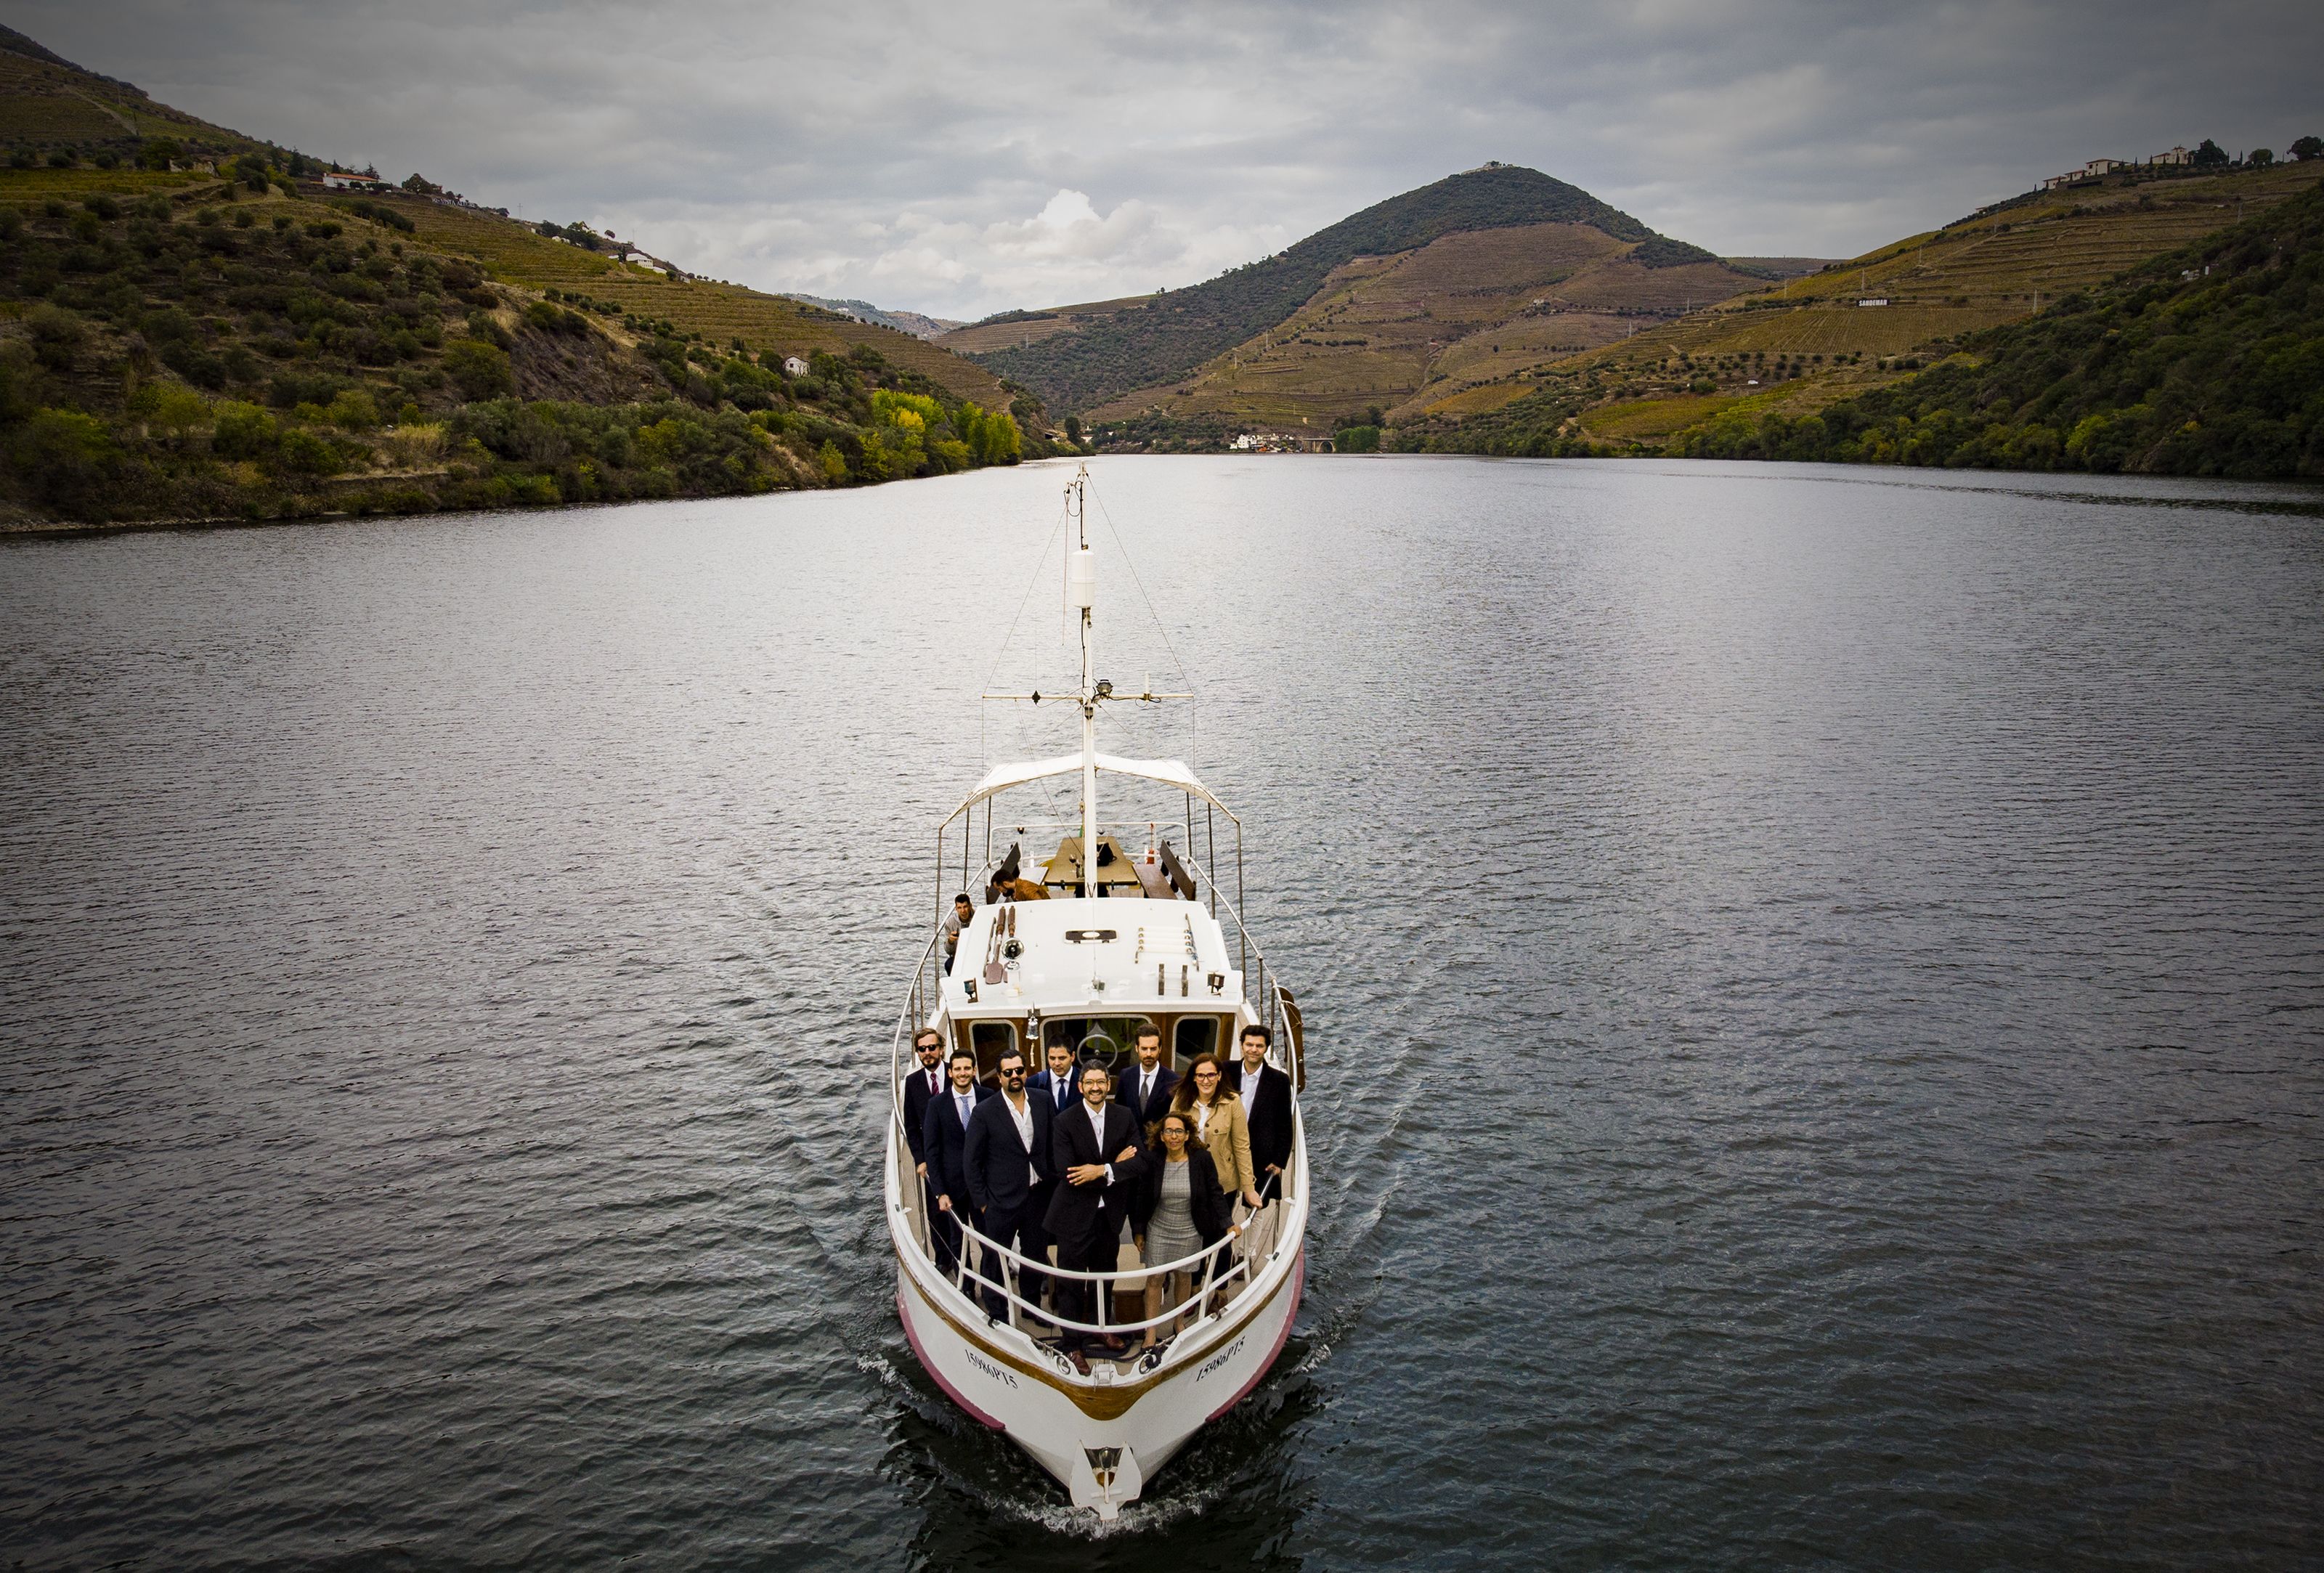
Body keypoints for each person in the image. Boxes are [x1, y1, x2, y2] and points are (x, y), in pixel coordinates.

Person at [1043, 1062, 1147, 1373]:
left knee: (1105, 1275)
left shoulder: (1124, 1117)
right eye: (1089, 1083)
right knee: (1071, 1282)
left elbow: (1139, 1162)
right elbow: (1069, 1173)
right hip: (1073, 1216)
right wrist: (1114, 1167)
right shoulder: (1064, 1121)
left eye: (1101, 1082)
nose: (1096, 1088)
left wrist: (1099, 1170)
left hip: (1109, 1217)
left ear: (1108, 1085)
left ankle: (1103, 1327)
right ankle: (1073, 1344)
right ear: (1080, 1087)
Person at [1129, 1110, 1238, 1343]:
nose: (1174, 1136)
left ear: (1188, 1135)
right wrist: (1138, 1230)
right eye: (1169, 1131)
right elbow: (1142, 1196)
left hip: (1189, 1229)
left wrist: (1228, 1224)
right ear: (1162, 1135)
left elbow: (1215, 1193)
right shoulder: (1153, 1159)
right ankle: (1151, 1333)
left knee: (1184, 1277)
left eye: (1179, 1131)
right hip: (1159, 1228)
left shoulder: (1201, 1159)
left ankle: (1179, 1323)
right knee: (1155, 1279)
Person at [963, 1047, 1053, 1323]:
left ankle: (1032, 1307)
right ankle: (997, 1311)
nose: (1015, 1076)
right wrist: (983, 1202)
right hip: (1000, 1201)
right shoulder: (984, 1111)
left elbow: (1051, 1143)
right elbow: (971, 1161)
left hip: (1037, 1195)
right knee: (994, 1257)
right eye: (1008, 1072)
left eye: (1019, 1070)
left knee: (1035, 1255)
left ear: (1026, 1072)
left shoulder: (1043, 1100)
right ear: (999, 1077)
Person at [919, 1048, 990, 1277]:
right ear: (950, 1072)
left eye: (967, 1068)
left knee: (989, 1241)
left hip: (983, 1186)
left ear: (974, 1070)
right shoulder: (937, 1105)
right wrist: (940, 1192)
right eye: (957, 1069)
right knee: (958, 1242)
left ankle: (994, 1288)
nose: (962, 1073)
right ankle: (967, 1288)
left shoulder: (988, 1098)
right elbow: (932, 1152)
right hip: (953, 1187)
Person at [1170, 1054, 1262, 1215]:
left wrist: (1249, 1188)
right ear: (1194, 1078)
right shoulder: (1181, 1099)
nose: (1206, 1081)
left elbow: (1242, 1146)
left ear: (1219, 1076)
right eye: (1200, 1075)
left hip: (1223, 1183)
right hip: (1188, 1180)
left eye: (1211, 1075)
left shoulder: (1233, 1102)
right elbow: (1170, 1139)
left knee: (1220, 1231)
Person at [1230, 1024, 1293, 1197]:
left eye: (1259, 1046)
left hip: (1261, 1154)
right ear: (1242, 1044)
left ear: (1266, 1048)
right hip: (1227, 1149)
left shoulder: (1279, 1080)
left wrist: (1279, 1160)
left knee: (1255, 1206)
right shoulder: (1226, 1071)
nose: (1254, 1050)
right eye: (1249, 1045)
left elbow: (1285, 1124)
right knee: (1223, 1201)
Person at [1113, 1023, 1179, 1135]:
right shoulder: (1126, 1076)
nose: (1149, 1054)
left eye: (1153, 1049)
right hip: (1131, 1145)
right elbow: (1119, 1111)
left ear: (1160, 1049)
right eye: (1144, 1049)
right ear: (1137, 1048)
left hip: (1159, 1146)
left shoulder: (1174, 1080)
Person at [901, 1028, 946, 1179]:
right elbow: (912, 1126)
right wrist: (920, 1160)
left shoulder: (957, 1073)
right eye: (922, 1049)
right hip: (932, 1156)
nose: (927, 1052)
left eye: (932, 1047)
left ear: (941, 1049)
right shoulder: (912, 1082)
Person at [1026, 1041, 1080, 1118]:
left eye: (1062, 1058)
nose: (1057, 1063)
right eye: (1052, 1058)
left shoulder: (1085, 1080)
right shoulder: (1034, 1083)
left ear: (1072, 1056)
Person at [939, 893, 975, 975]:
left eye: (965, 907)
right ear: (956, 909)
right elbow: (948, 951)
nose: (963, 911)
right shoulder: (950, 923)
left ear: (970, 906)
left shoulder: (978, 917)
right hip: (959, 957)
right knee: (949, 964)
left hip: (975, 954)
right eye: (959, 908)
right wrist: (950, 941)